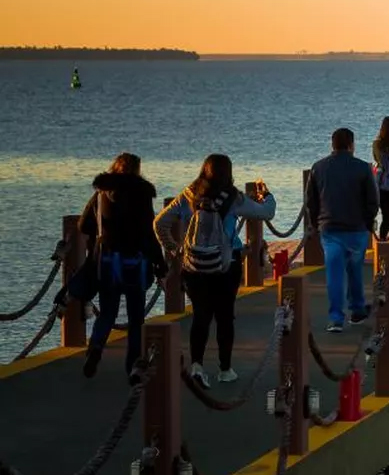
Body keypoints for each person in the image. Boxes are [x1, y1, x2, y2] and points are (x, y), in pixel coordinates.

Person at [155, 154, 276, 387]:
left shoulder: (189, 195)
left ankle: (197, 366)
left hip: (193, 267)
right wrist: (266, 194)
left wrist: (175, 249)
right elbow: (266, 212)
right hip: (225, 266)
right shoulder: (233, 198)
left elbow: (159, 223)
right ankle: (225, 369)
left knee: (200, 314)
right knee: (224, 316)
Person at [79, 152, 166, 381]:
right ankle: (133, 367)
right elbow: (149, 232)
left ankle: (96, 347)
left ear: (115, 167)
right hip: (135, 263)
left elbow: (83, 225)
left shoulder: (101, 192)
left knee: (107, 312)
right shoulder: (143, 193)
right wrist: (160, 261)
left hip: (108, 261)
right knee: (136, 318)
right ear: (137, 169)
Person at [305, 128, 379, 332]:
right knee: (355, 269)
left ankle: (336, 317)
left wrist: (315, 222)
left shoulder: (318, 168)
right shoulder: (363, 168)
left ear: (332, 144)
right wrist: (367, 221)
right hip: (356, 228)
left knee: (334, 273)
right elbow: (373, 201)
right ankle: (357, 309)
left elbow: (311, 201)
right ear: (351, 145)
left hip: (329, 228)